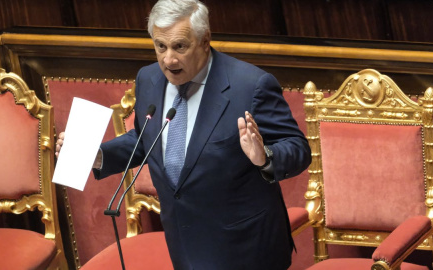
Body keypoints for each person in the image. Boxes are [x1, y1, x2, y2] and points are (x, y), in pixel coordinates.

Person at [56, 0, 311, 269]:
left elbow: (297, 148)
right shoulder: (149, 78)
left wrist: (264, 157)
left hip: (244, 246)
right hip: (183, 240)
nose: (168, 59)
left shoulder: (251, 85)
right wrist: (98, 155)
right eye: (160, 46)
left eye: (180, 46)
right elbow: (147, 139)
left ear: (204, 40)